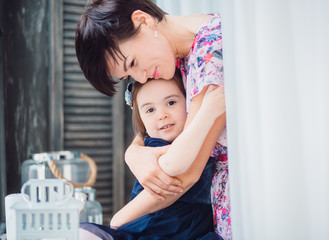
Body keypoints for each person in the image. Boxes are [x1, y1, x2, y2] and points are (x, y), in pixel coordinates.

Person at [75, 0, 231, 238]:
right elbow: (149, 128)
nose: (140, 77)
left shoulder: (211, 52)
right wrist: (133, 152)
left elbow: (183, 175)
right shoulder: (177, 52)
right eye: (129, 74)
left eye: (133, 63)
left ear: (143, 21)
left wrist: (117, 223)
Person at [79, 72, 225, 239]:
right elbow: (174, 166)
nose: (162, 115)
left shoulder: (193, 139)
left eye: (171, 102)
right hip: (158, 224)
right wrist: (209, 112)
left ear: (188, 104)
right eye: (150, 110)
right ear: (142, 122)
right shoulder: (154, 146)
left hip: (192, 226)